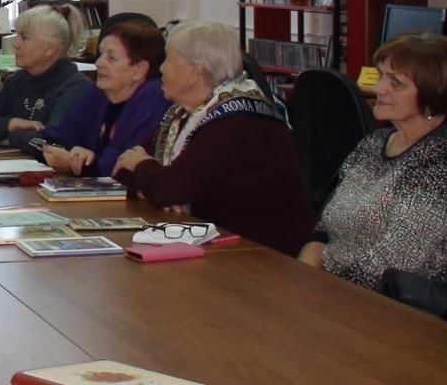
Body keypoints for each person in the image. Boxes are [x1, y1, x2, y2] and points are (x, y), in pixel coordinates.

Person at [299, 32, 447, 289]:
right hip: (339, 284)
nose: (378, 88)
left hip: (407, 302)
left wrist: (318, 285)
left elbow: (391, 268)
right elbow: (325, 225)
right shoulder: (375, 143)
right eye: (381, 76)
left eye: (396, 82)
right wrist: (305, 273)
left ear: (432, 94)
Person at [112, 21, 313, 255]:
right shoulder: (181, 114)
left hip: (261, 255)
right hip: (214, 242)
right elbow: (123, 174)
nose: (161, 69)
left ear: (195, 70)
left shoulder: (239, 120)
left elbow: (165, 188)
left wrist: (143, 168)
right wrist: (153, 182)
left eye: (169, 60)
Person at [39, 20, 170, 176]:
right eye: (101, 54)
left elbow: (125, 167)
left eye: (111, 58)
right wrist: (61, 152)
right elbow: (55, 137)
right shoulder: (99, 91)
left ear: (139, 70)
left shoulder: (154, 98)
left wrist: (79, 163)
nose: (98, 62)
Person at [0, 5, 92, 150]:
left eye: (24, 38)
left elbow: (52, 143)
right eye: (17, 36)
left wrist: (8, 138)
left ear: (50, 49)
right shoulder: (17, 80)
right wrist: (12, 124)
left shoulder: (76, 87)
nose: (15, 44)